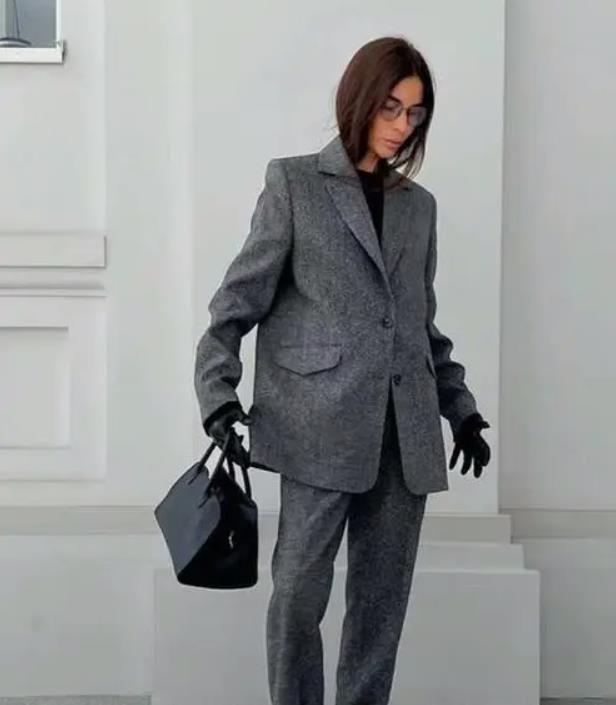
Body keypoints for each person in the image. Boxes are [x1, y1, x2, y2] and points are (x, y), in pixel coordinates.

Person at [194, 35, 491, 705]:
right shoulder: (294, 184)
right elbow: (234, 305)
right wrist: (218, 397)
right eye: (391, 107)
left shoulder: (419, 207)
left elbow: (419, 326)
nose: (402, 126)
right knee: (298, 594)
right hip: (315, 428)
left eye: (415, 113)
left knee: (380, 608)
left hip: (402, 435)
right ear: (360, 99)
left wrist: (462, 410)